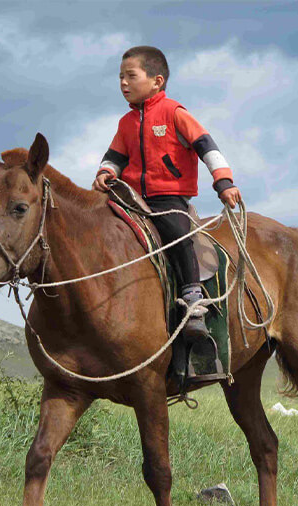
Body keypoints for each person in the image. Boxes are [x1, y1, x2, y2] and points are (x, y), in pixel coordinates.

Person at [92, 46, 242, 344]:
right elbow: (114, 157)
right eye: (120, 77)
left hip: (168, 198)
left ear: (157, 81)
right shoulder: (126, 123)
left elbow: (207, 147)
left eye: (131, 76)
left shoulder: (175, 113)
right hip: (130, 197)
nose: (123, 83)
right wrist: (105, 173)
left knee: (177, 231)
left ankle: (193, 298)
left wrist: (224, 182)